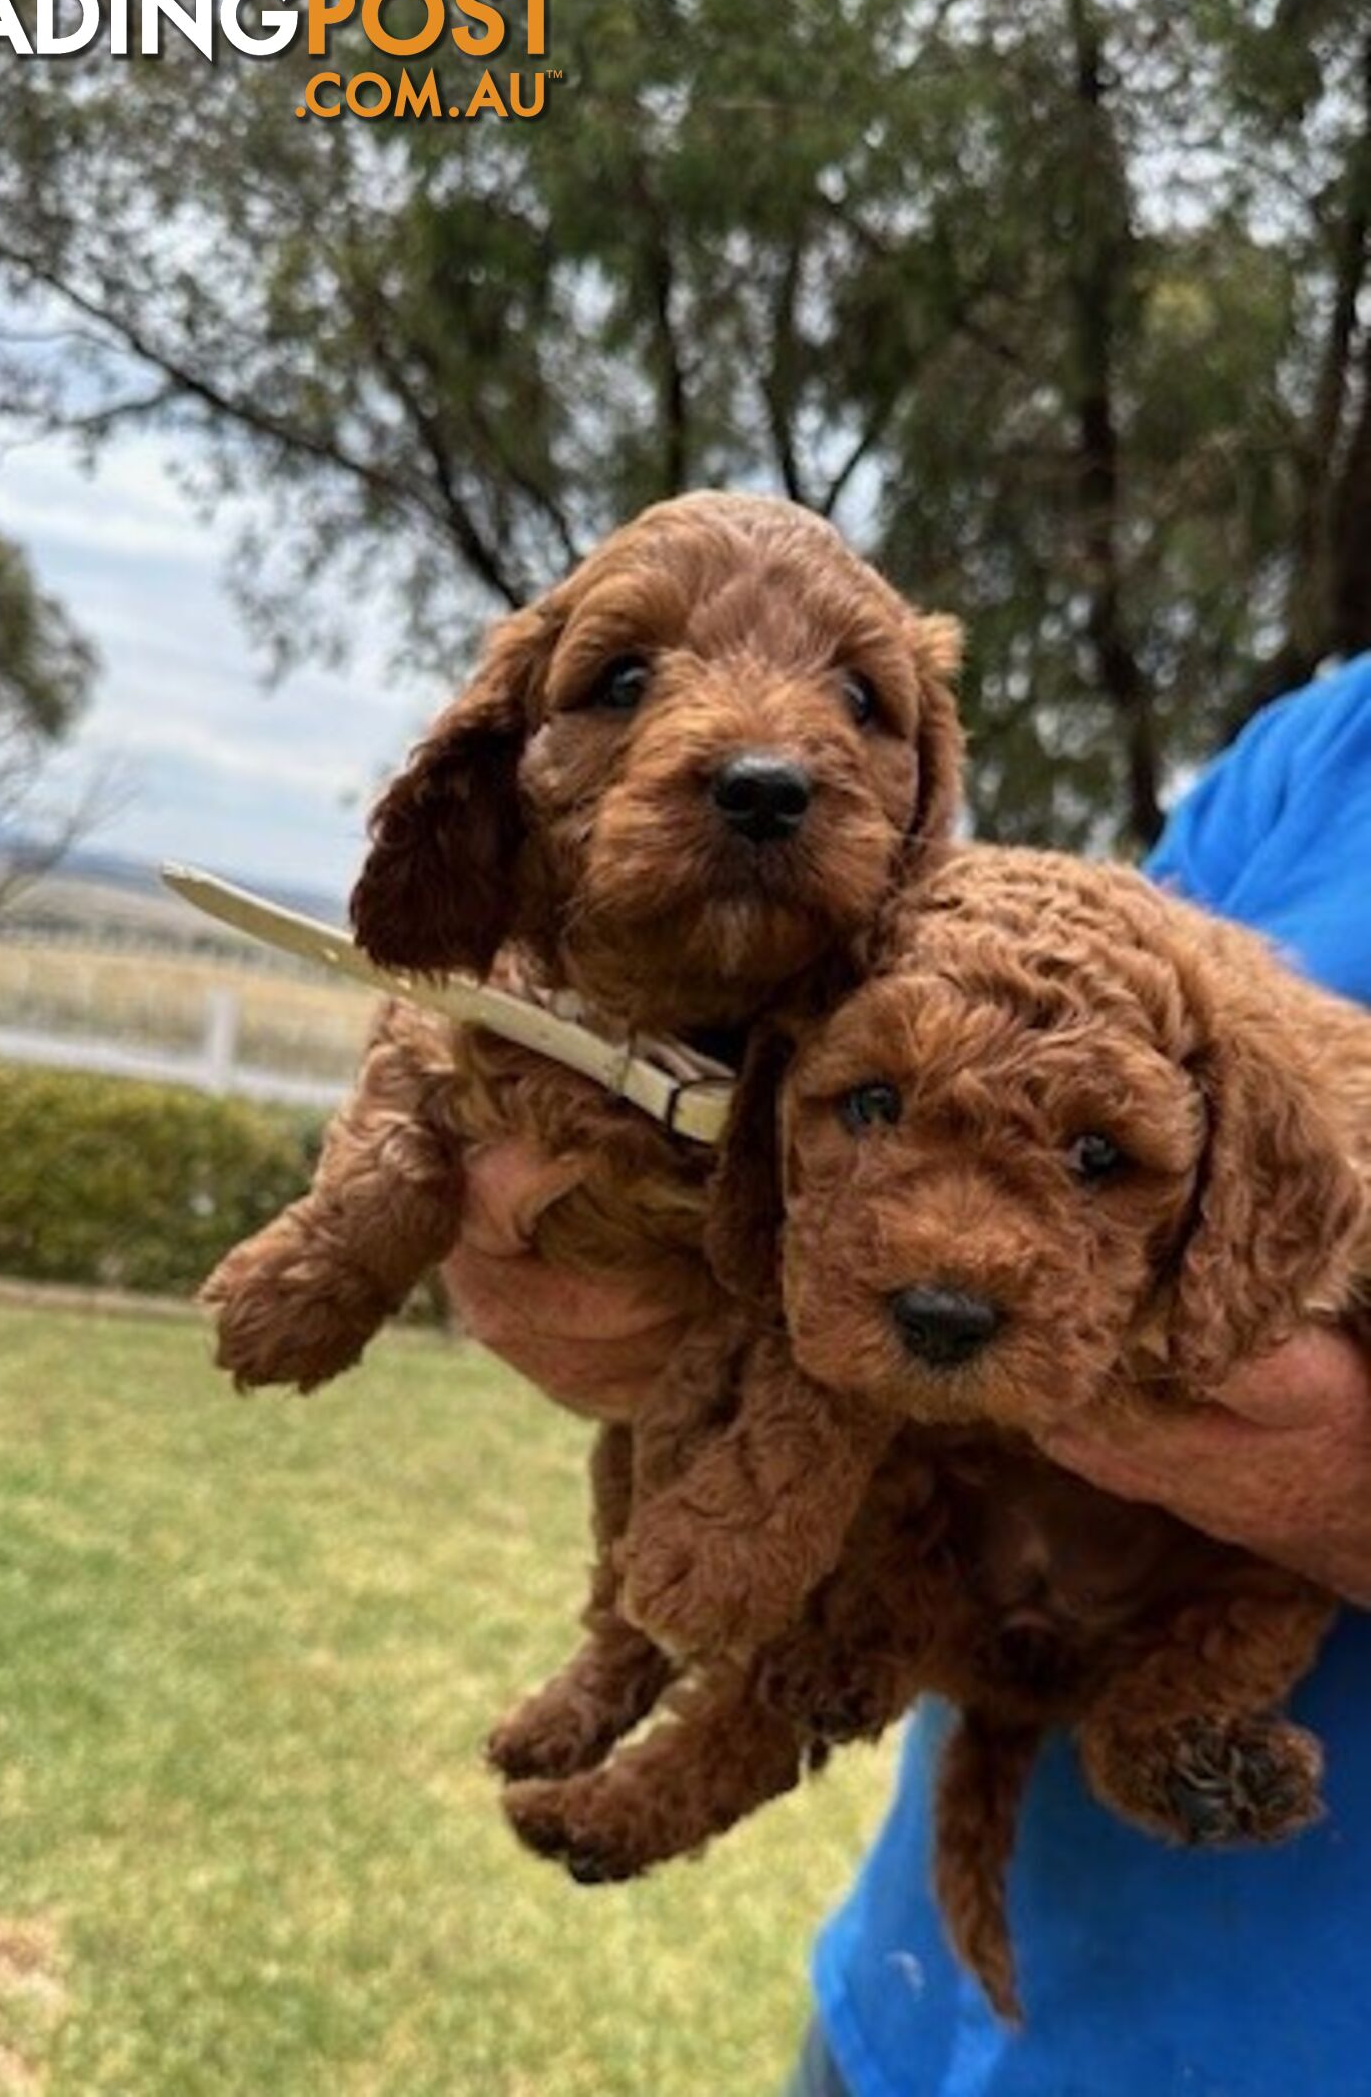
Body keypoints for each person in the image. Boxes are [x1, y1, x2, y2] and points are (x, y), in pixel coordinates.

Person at [443, 651, 1371, 2097]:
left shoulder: (1301, 1124)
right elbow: (1029, 993)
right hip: (915, 2025)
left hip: (1290, 2046)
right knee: (852, 1609)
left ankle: (1155, 1733)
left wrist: (1284, 1447)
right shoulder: (1330, 733)